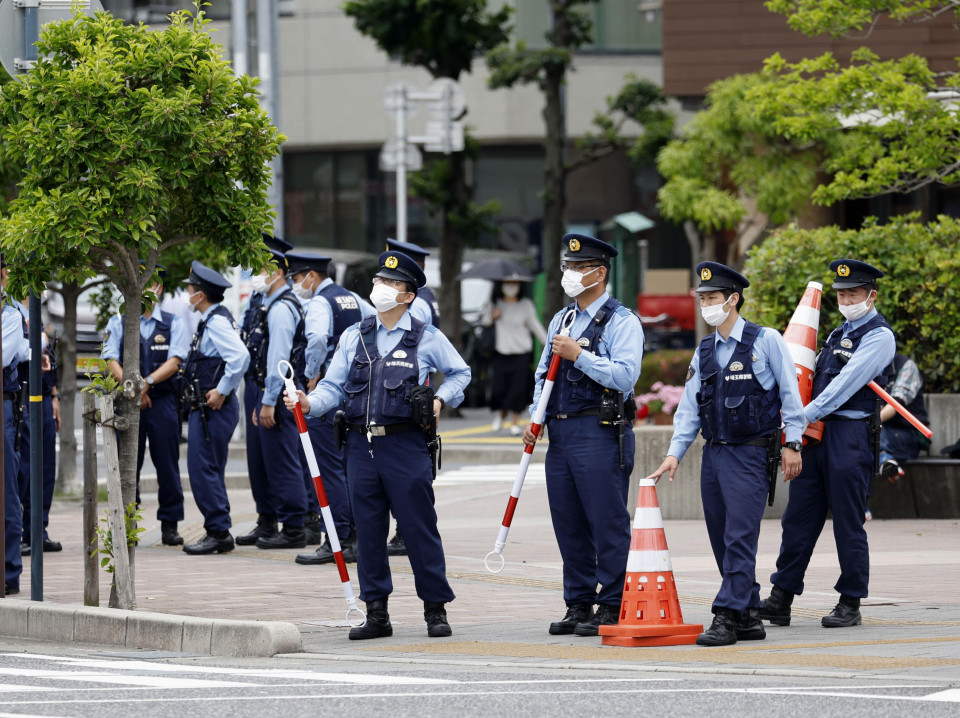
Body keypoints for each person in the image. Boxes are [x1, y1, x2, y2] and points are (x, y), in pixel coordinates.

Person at [284, 250, 471, 640]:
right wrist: (308, 402)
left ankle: (435, 610)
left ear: (408, 296)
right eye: (379, 281)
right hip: (359, 446)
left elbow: (460, 373)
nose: (382, 288)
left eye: (392, 284)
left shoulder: (426, 336)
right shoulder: (355, 335)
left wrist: (439, 399)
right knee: (368, 532)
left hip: (406, 446)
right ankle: (377, 613)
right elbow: (333, 387)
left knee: (419, 529)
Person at [647, 262, 805, 646]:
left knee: (739, 537)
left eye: (712, 298)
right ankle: (749, 613)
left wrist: (792, 443)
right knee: (720, 536)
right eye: (701, 299)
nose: (706, 305)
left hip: (751, 455)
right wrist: (674, 453)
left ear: (733, 299)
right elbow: (688, 408)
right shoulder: (704, 350)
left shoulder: (764, 340)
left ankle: (726, 615)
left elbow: (790, 394)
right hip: (714, 454)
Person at [760, 259, 896, 628]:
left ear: (872, 295)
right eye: (841, 293)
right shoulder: (838, 334)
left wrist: (801, 414)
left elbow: (845, 384)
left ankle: (850, 601)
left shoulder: (880, 336)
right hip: (817, 433)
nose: (847, 299)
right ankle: (781, 597)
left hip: (850, 436)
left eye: (854, 293)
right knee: (798, 518)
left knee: (848, 523)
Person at [522, 233, 643, 637]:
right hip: (560, 428)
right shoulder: (562, 319)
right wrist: (535, 414)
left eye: (578, 268)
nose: (570, 274)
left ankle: (612, 602)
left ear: (600, 272)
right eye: (568, 267)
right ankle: (578, 602)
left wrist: (580, 355)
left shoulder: (622, 321)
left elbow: (625, 377)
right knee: (568, 520)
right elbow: (543, 372)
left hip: (600, 429)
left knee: (606, 519)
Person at [100, 264, 188, 546]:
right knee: (128, 467)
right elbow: (110, 359)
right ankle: (128, 525)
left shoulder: (173, 322)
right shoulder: (118, 321)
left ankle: (170, 525)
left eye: (147, 284)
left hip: (162, 402)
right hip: (129, 404)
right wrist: (134, 390)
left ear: (158, 289)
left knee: (167, 465)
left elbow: (175, 361)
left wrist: (145, 383)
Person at [285, 250, 361, 566]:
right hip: (351, 391)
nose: (296, 284)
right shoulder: (352, 298)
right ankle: (353, 536)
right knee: (346, 467)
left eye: (297, 278)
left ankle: (337, 539)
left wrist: (313, 372)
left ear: (311, 276)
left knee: (327, 469)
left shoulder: (320, 302)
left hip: (327, 393)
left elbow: (316, 338)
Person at [241, 248, 313, 550]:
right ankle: (268, 521)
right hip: (263, 388)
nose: (256, 275)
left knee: (282, 460)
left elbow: (279, 360)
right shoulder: (267, 304)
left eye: (261, 268)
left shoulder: (282, 308)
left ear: (279, 272)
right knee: (262, 461)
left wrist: (269, 400)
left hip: (278, 391)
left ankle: (295, 527)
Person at [181, 261, 251, 555]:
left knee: (203, 467)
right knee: (208, 467)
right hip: (210, 408)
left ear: (201, 294)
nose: (187, 292)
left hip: (214, 408)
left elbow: (240, 357)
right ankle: (217, 528)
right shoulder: (211, 319)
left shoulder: (217, 321)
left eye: (190, 288)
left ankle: (218, 531)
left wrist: (222, 391)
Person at [383, 238, 442, 557]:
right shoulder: (428, 299)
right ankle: (408, 530)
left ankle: (407, 531)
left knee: (410, 473)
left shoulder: (415, 304)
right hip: (418, 393)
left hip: (410, 396)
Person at [17, 295, 62, 555]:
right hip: (24, 398)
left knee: (45, 468)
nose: (44, 289)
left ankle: (38, 530)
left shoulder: (37, 315)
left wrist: (55, 397)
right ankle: (22, 531)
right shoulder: (13, 312)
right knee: (25, 468)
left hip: (44, 398)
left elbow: (50, 359)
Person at [481, 280, 547, 436]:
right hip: (501, 352)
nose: (511, 286)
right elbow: (485, 321)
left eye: (515, 283)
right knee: (498, 388)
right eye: (508, 283)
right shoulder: (495, 303)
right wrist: (493, 315)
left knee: (517, 390)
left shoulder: (526, 304)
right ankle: (500, 414)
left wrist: (547, 341)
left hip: (521, 353)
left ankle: (515, 422)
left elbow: (534, 324)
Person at [2, 257, 28, 595]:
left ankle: (8, 572)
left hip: (4, 403)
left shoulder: (9, 313)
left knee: (5, 490)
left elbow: (4, 356)